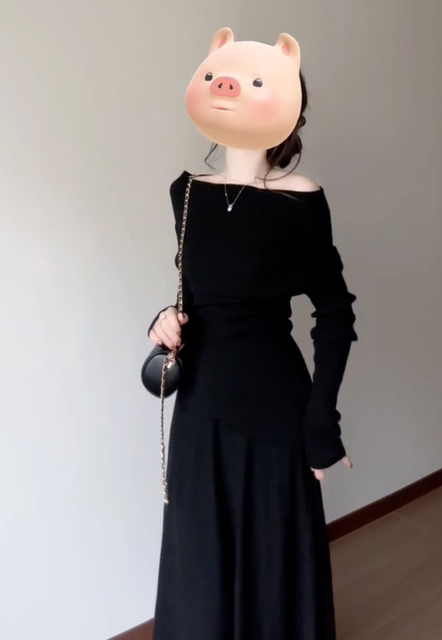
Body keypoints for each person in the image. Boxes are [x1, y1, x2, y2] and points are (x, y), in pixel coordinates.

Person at [146, 29, 358, 640]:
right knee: (200, 562)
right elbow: (195, 297)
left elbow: (335, 313)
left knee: (273, 559)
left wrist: (321, 425)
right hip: (201, 406)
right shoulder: (186, 193)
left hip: (275, 408)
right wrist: (162, 321)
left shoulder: (302, 200)